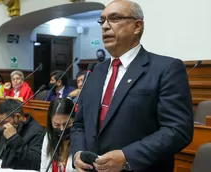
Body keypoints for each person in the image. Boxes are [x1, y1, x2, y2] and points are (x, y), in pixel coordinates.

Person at [71, 1, 193, 172]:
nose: (105, 26)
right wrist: (77, 154)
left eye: (114, 19)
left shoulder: (165, 69)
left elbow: (178, 130)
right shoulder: (95, 71)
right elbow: (79, 125)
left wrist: (127, 156)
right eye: (102, 21)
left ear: (137, 26)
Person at [0, 99, 44, 170]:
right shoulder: (11, 126)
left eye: (5, 122)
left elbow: (35, 162)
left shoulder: (37, 131)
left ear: (18, 116)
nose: (4, 125)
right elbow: (0, 148)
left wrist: (14, 138)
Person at [40, 98, 76, 172]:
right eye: (57, 125)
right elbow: (44, 168)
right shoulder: (48, 136)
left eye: (67, 124)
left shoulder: (82, 139)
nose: (62, 129)